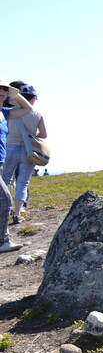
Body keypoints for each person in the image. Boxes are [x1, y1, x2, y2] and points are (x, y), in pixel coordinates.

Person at [2, 82, 46, 225]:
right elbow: (43, 135)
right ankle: (17, 212)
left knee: (6, 181)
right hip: (29, 150)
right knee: (23, 182)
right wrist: (32, 134)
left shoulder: (8, 112)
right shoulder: (37, 114)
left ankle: (4, 209)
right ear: (33, 98)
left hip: (9, 148)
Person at [0, 78, 33, 251]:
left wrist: (15, 94)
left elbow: (28, 109)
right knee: (5, 199)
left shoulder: (5, 112)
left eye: (4, 89)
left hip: (1, 163)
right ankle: (3, 241)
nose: (1, 91)